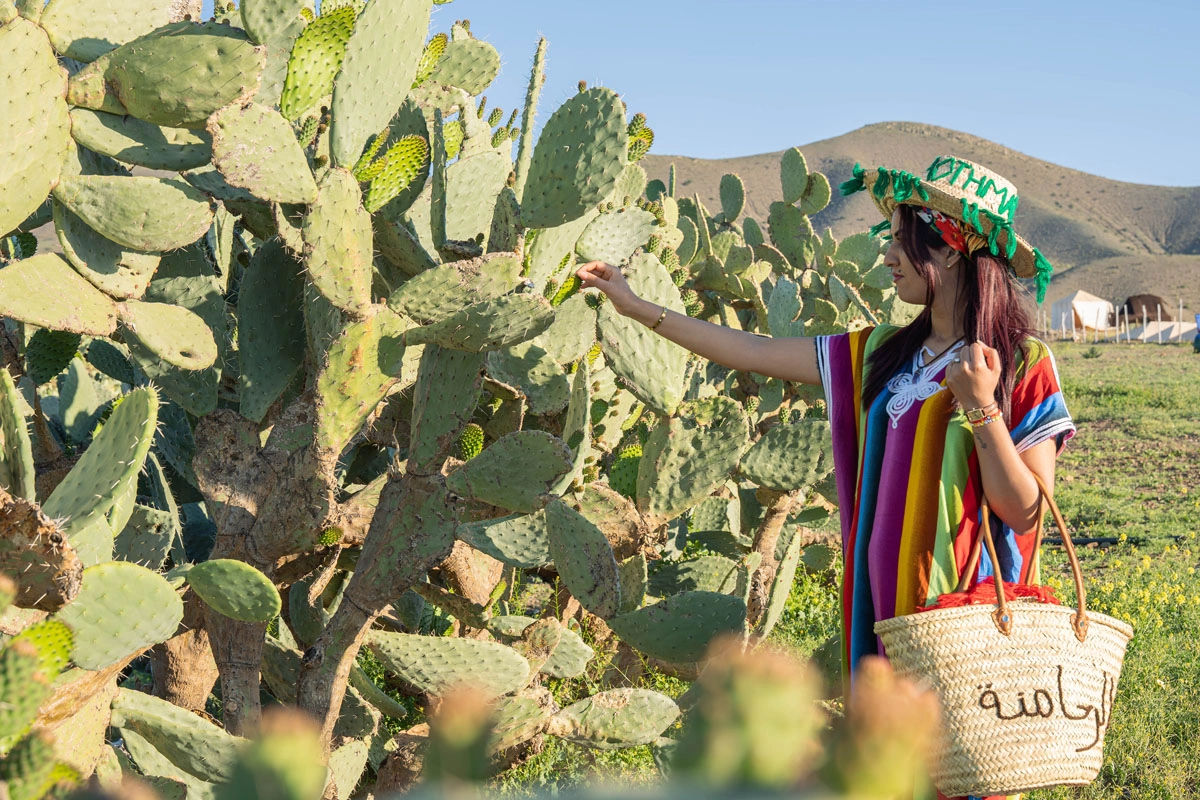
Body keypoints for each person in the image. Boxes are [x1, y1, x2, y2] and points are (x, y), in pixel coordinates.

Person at [577, 155, 1076, 800]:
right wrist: (635, 306)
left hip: (963, 630)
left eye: (900, 237)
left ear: (949, 248)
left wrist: (982, 408)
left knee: (958, 783)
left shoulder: (1022, 365)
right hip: (877, 616)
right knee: (882, 778)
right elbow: (755, 350)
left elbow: (1029, 512)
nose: (888, 253)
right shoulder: (879, 352)